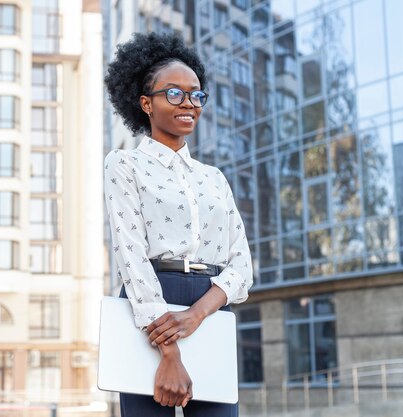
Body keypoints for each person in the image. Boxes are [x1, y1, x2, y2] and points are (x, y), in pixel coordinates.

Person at [103, 32, 253, 417]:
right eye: (174, 93)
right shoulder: (124, 165)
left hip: (210, 309)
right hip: (149, 307)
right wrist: (169, 350)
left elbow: (242, 266)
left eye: (196, 94)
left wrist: (198, 315)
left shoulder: (214, 178)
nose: (188, 103)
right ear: (145, 103)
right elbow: (130, 256)